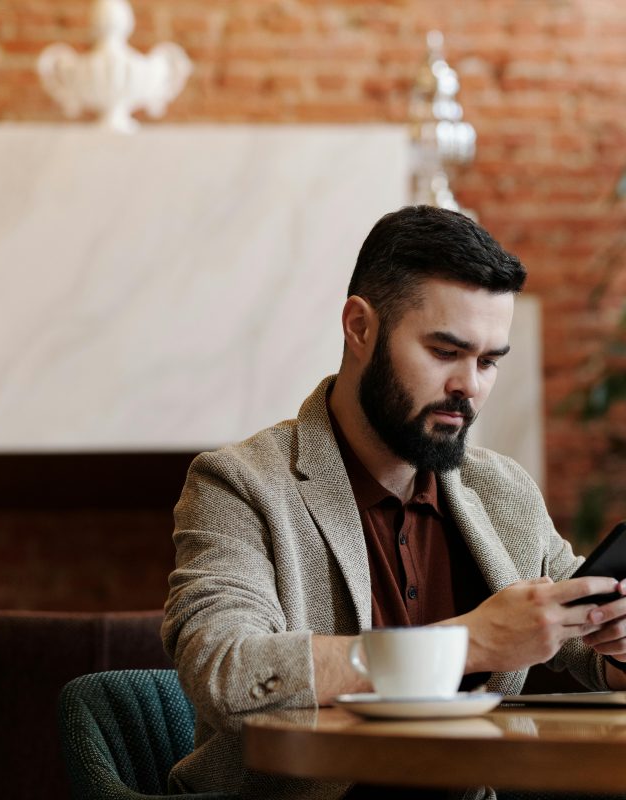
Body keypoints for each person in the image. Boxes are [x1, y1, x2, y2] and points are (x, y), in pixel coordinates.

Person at [161, 205, 626, 800]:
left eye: (488, 362)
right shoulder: (239, 484)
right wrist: (469, 642)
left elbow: (583, 641)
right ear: (359, 327)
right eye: (444, 352)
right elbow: (226, 669)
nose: (470, 386)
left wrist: (614, 638)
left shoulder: (503, 490)